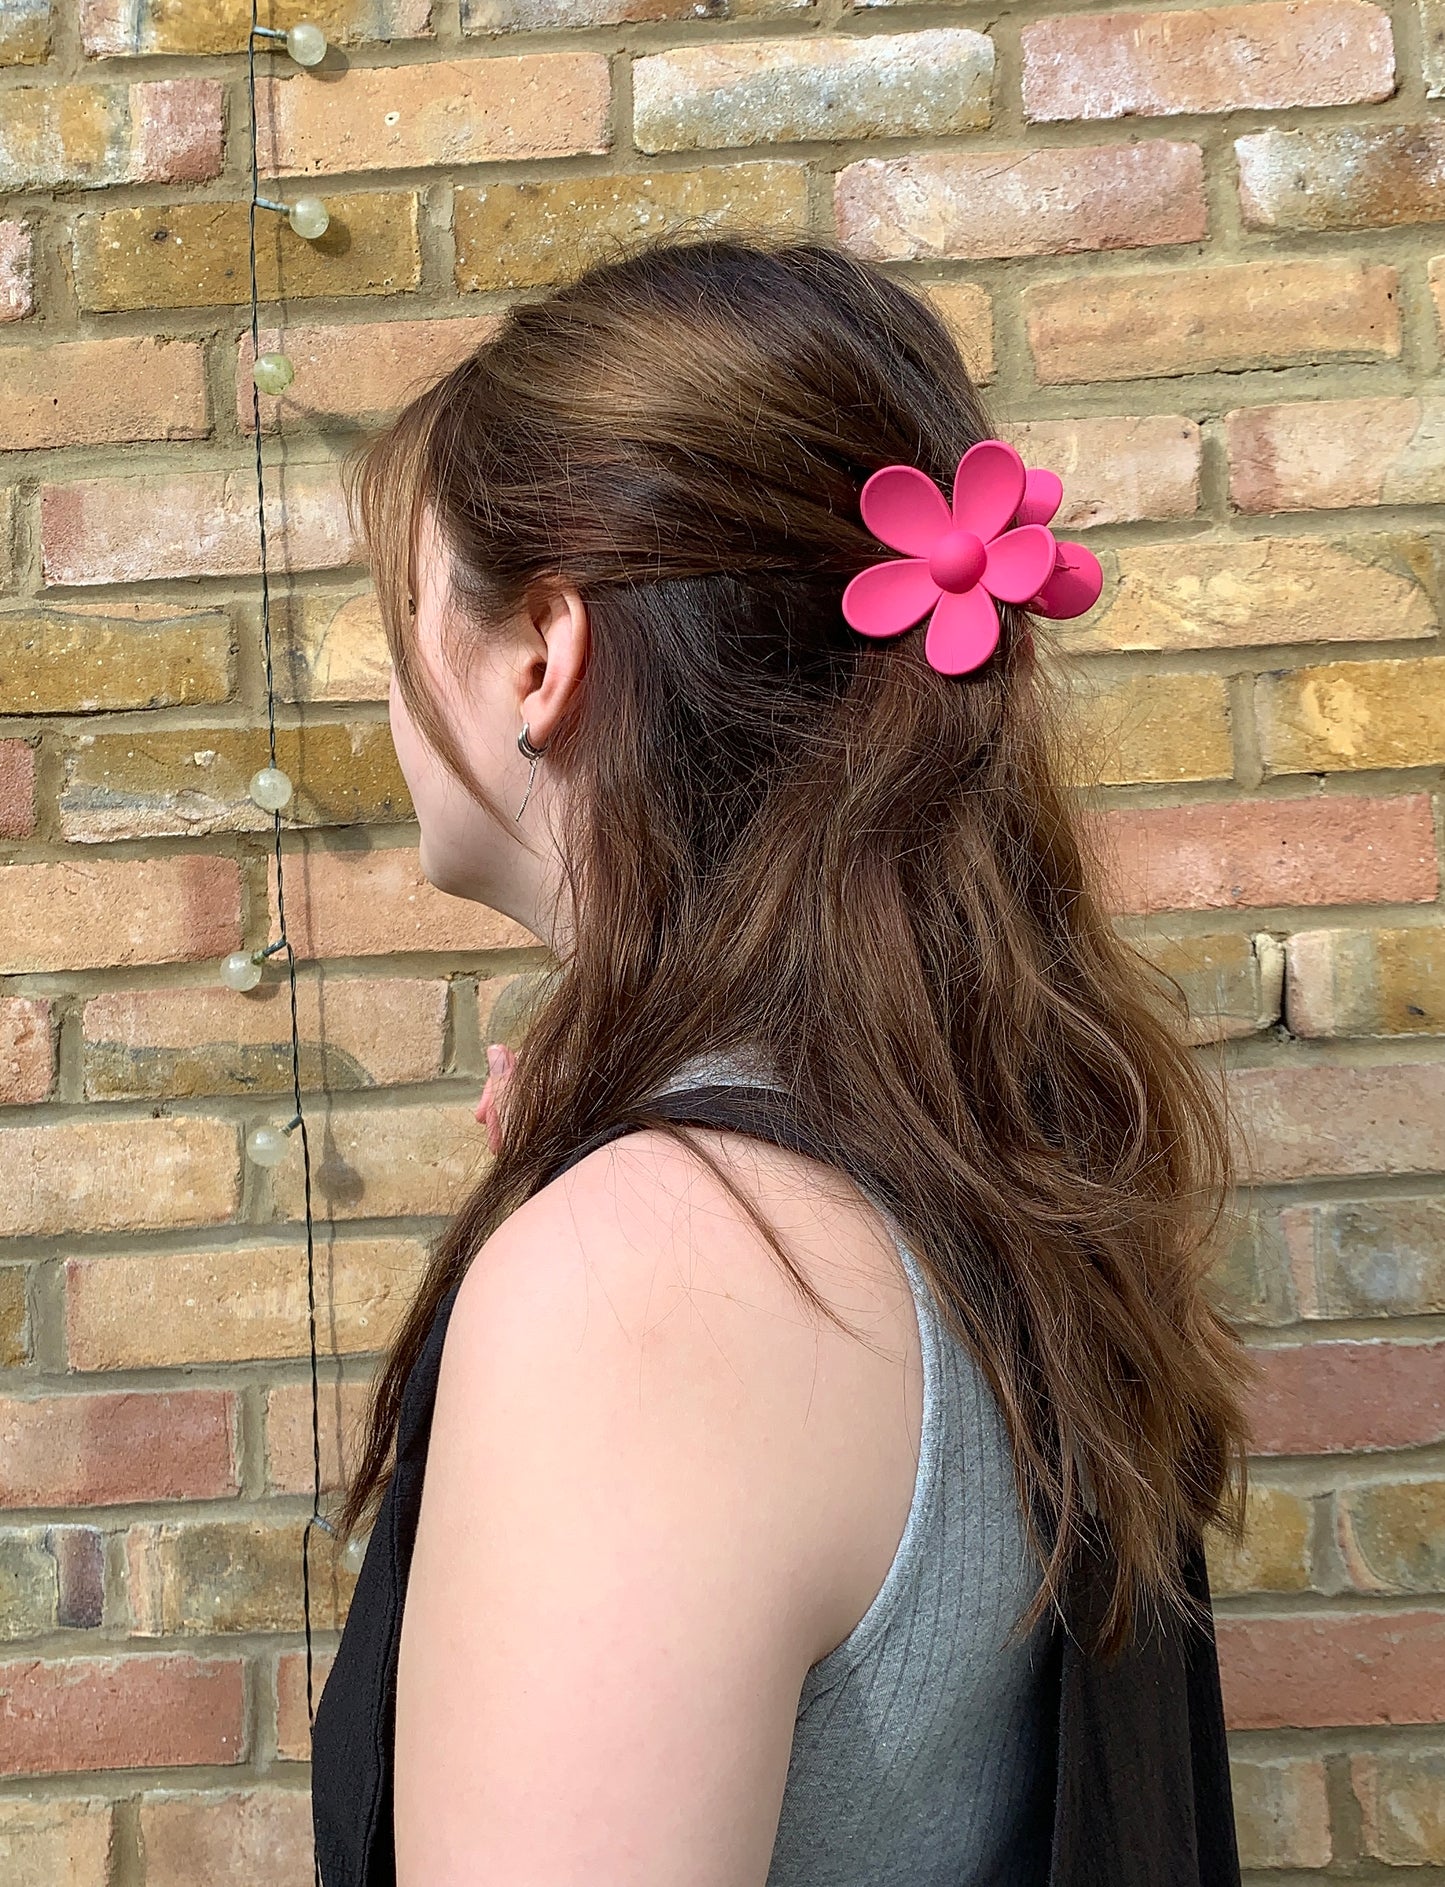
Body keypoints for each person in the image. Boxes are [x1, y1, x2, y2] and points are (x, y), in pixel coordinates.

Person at [310, 234, 1251, 1887]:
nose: (385, 691)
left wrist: (618, 1248)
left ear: (544, 652)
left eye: (402, 615)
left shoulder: (661, 1287)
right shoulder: (975, 1137)